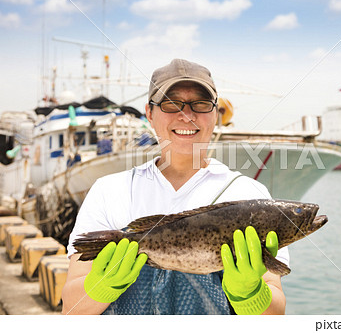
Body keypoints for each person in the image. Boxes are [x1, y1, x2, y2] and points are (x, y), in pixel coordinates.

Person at [61, 59, 289, 315]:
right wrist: (100, 286)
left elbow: (275, 316)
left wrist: (250, 294)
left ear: (216, 114)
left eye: (201, 104)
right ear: (149, 113)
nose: (187, 115)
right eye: (171, 103)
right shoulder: (109, 190)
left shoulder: (250, 194)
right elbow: (71, 311)